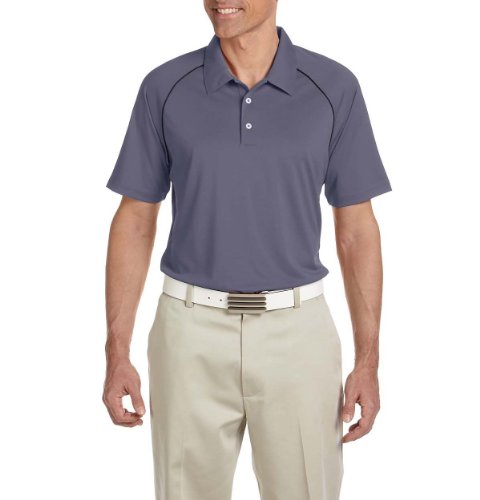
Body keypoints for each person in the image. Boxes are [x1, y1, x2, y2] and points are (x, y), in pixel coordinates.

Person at [103, 2, 392, 499]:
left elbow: (357, 231)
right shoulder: (164, 87)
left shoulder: (333, 88)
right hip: (188, 333)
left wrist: (368, 360)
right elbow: (134, 221)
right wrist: (116, 352)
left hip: (298, 335)